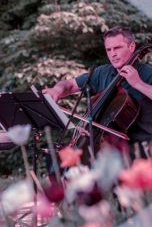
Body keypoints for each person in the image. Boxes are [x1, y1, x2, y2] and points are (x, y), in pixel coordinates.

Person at [43, 26, 152, 157]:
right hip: (109, 151)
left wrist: (138, 83)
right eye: (109, 50)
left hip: (143, 150)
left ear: (132, 46)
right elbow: (69, 85)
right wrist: (57, 90)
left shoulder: (148, 72)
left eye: (117, 48)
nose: (113, 54)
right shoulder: (102, 72)